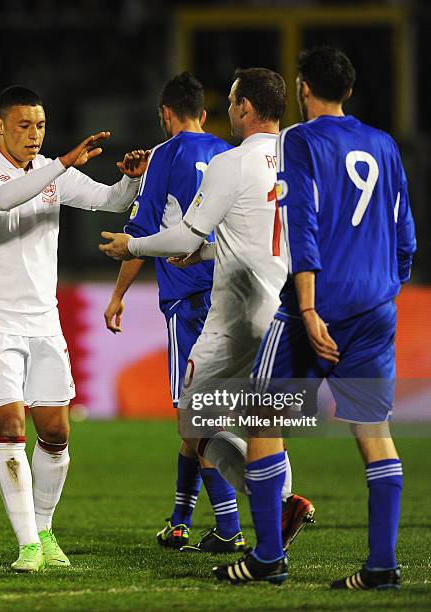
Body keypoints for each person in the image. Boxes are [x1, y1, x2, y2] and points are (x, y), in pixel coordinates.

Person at [213, 47, 416, 588]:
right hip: (375, 310)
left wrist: (308, 306)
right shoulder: (384, 144)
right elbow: (405, 238)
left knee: (261, 418)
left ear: (304, 88)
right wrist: (381, 293)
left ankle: (267, 558)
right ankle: (381, 567)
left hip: (316, 308)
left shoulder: (298, 141)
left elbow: (301, 226)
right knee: (375, 432)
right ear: (347, 91)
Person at [99, 68, 315, 551]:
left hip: (232, 315)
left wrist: (131, 246)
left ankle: (274, 504)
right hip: (286, 313)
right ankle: (265, 530)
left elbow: (181, 234)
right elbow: (258, 236)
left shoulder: (228, 162)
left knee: (194, 420)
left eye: (233, 102)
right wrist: (206, 253)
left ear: (242, 107)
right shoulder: (298, 159)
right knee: (263, 421)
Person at [0, 85, 147, 572]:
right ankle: (27, 546)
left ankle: (44, 529)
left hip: (42, 318)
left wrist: (132, 182)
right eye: (24, 125)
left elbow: (107, 200)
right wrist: (61, 164)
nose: (34, 135)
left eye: (40, 126)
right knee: (10, 427)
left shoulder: (51, 173)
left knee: (57, 433)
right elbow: (0, 201)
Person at [104, 72, 246, 553]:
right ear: (204, 113)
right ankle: (181, 520)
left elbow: (139, 238)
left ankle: (229, 526)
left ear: (165, 114)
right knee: (207, 415)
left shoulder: (164, 156)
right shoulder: (231, 154)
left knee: (196, 417)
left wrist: (118, 295)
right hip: (235, 294)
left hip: (187, 300)